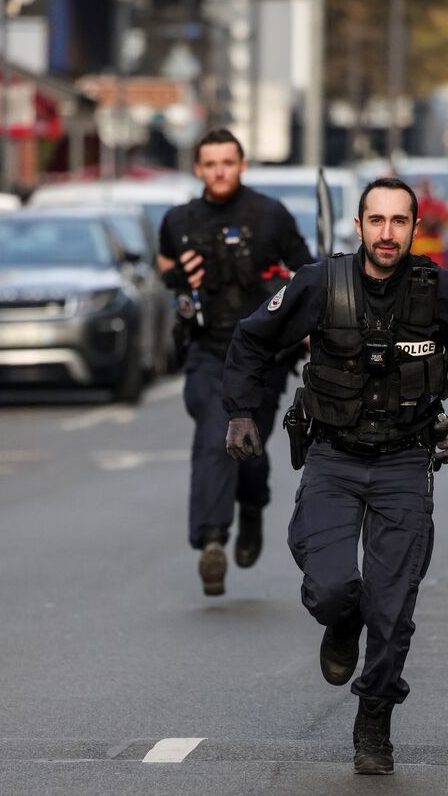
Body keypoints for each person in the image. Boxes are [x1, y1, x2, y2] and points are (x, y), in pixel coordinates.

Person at [222, 178, 448, 775]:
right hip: (334, 456)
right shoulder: (320, 283)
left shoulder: (440, 290)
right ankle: (342, 621)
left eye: (399, 221)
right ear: (358, 227)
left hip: (406, 460)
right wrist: (242, 411)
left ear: (414, 228)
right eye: (376, 220)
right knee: (332, 587)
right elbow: (252, 339)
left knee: (393, 606)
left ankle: (374, 719)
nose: (387, 233)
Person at [157, 128, 313, 596]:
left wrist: (309, 329)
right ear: (198, 169)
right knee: (214, 434)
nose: (219, 171)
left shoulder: (270, 215)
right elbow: (164, 268)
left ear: (242, 165)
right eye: (210, 163)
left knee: (249, 450)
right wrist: (181, 276)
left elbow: (308, 275)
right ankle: (211, 542)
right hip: (207, 351)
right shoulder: (179, 220)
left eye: (228, 162)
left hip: (263, 358)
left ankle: (252, 506)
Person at [411, 179, 448, 268]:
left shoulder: (438, 204)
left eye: (428, 186)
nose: (427, 189)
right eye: (424, 186)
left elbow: (447, 220)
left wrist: (437, 223)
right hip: (421, 246)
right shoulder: (418, 205)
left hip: (435, 246)